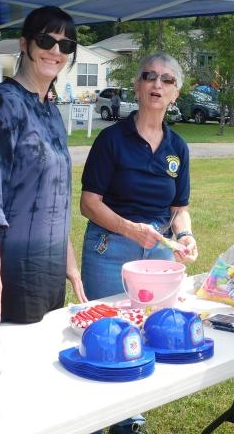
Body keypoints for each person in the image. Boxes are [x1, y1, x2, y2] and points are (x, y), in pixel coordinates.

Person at [80, 52, 198, 434]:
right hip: (110, 249)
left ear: (176, 93)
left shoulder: (178, 147)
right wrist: (131, 229)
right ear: (137, 85)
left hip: (157, 257)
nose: (157, 85)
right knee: (107, 334)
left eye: (166, 80)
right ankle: (96, 419)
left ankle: (130, 418)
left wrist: (185, 235)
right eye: (150, 76)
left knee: (147, 333)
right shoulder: (112, 139)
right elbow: (89, 204)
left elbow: (179, 208)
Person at [0, 5, 87, 330]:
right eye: (46, 40)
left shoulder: (51, 112)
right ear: (25, 44)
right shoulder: (1, 103)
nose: (56, 51)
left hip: (46, 270)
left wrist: (69, 265)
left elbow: (55, 198)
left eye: (66, 45)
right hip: (5, 269)